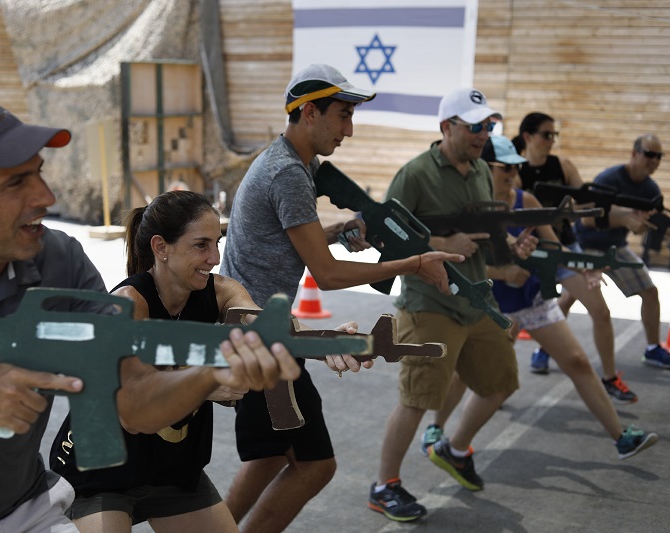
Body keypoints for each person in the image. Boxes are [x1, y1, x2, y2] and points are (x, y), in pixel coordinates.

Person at [0, 100, 300, 532]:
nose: (46, 197)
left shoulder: (60, 260)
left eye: (39, 172)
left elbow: (132, 401)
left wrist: (210, 372)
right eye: (16, 182)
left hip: (22, 512)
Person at [220, 64, 463, 532]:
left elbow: (287, 238)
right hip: (258, 334)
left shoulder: (293, 163)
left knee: (273, 455)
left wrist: (337, 230)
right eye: (343, 116)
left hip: (255, 328)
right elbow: (328, 275)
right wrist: (414, 263)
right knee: (315, 465)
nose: (349, 130)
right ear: (310, 112)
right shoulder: (288, 172)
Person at [51, 190, 334, 532]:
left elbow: (263, 322)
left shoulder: (220, 291)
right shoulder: (127, 304)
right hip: (101, 470)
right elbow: (131, 412)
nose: (214, 258)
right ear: (161, 247)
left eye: (217, 243)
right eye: (201, 245)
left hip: (171, 470)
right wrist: (205, 383)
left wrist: (327, 342)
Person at [427, 136, 658, 466]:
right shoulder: (468, 207)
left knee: (577, 361)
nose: (512, 174)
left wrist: (586, 268)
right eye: (505, 168)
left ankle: (621, 438)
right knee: (469, 374)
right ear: (484, 169)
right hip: (489, 302)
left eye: (515, 167)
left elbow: (556, 249)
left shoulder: (526, 200)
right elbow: (457, 261)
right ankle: (436, 430)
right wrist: (503, 272)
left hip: (530, 297)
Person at [369, 88, 537, 522]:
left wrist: (511, 249)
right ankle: (384, 486)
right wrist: (443, 243)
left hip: (475, 300)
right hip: (430, 303)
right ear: (446, 127)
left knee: (500, 382)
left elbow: (481, 233)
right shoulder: (415, 174)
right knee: (417, 398)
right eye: (475, 126)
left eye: (489, 126)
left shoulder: (481, 170)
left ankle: (454, 449)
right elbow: (383, 235)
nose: (484, 134)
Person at [510, 113, 636, 405]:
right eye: (546, 134)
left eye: (554, 135)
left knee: (600, 311)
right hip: (530, 254)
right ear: (528, 137)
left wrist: (624, 214)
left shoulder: (562, 166)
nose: (551, 140)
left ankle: (609, 379)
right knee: (511, 325)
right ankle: (494, 384)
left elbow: (588, 206)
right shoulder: (515, 172)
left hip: (564, 248)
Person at [575, 134, 670, 368]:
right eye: (649, 154)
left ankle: (653, 349)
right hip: (586, 245)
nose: (654, 160)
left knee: (650, 292)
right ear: (634, 153)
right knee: (569, 298)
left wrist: (647, 226)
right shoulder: (609, 178)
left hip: (615, 247)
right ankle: (544, 349)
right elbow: (587, 219)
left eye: (659, 156)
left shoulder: (650, 189)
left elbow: (651, 223)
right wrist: (625, 219)